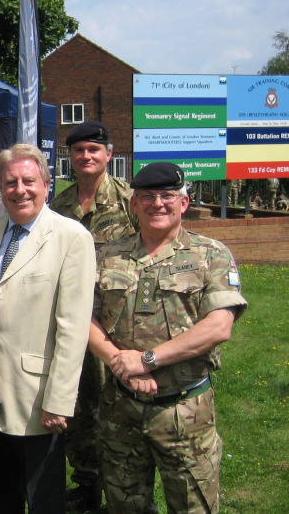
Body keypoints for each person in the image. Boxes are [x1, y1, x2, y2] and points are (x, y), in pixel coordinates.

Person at [90, 162, 248, 514]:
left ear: (184, 203)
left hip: (184, 410)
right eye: (147, 196)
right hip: (121, 409)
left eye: (167, 196)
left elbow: (219, 325)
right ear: (134, 205)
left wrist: (147, 360)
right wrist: (121, 364)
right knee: (124, 505)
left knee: (194, 507)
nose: (157, 203)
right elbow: (86, 318)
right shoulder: (109, 254)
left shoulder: (211, 254)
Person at [0, 145, 96, 514]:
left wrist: (59, 401)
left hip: (37, 399)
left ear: (46, 185)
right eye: (10, 182)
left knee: (43, 500)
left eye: (29, 181)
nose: (20, 189)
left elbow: (74, 328)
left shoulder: (71, 237)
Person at [50, 120, 139, 510]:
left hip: (116, 321)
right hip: (71, 320)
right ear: (70, 157)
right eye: (79, 150)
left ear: (109, 154)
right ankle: (87, 482)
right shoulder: (60, 205)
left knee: (118, 405)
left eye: (94, 150)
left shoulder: (130, 201)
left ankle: (124, 485)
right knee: (77, 404)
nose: (86, 156)